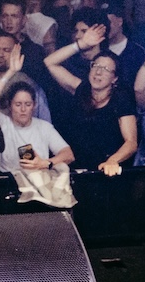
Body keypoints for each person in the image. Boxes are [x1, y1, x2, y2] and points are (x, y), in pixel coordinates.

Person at [44, 29, 139, 175]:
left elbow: (131, 142)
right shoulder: (81, 89)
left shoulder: (121, 100)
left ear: (114, 78)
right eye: (96, 66)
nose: (98, 72)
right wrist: (81, 44)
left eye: (105, 69)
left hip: (107, 172)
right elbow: (50, 62)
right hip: (78, 170)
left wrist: (112, 161)